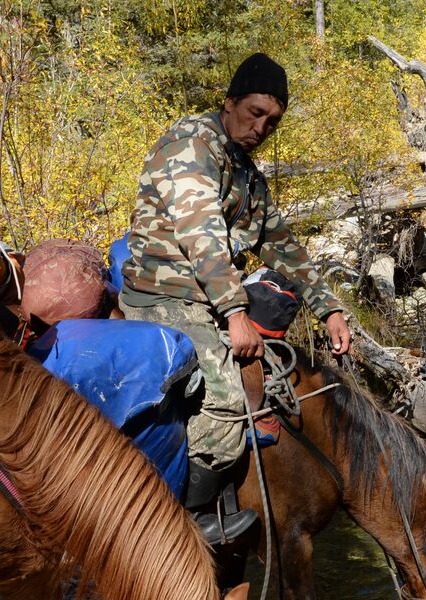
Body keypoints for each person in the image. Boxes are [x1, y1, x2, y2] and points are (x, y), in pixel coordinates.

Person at [119, 52, 352, 544]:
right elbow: (201, 234)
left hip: (206, 293)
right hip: (165, 294)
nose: (262, 126)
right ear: (229, 104)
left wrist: (329, 308)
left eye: (272, 120)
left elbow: (283, 245)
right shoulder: (190, 147)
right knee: (226, 398)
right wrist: (235, 313)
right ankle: (186, 526)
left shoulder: (246, 174)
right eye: (254, 113)